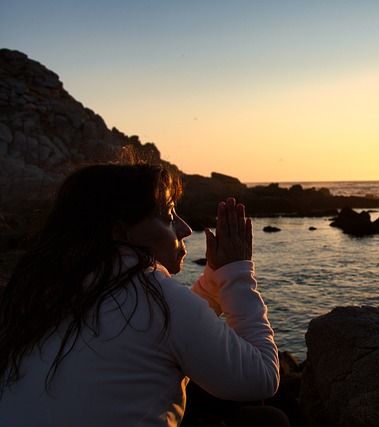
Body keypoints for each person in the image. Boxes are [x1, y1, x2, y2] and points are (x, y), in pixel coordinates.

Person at [0, 163, 288, 426]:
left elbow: (156, 331)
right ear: (121, 233)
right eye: (167, 217)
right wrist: (236, 274)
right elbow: (261, 377)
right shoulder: (158, 300)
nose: (185, 228)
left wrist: (213, 283)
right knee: (269, 420)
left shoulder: (40, 290)